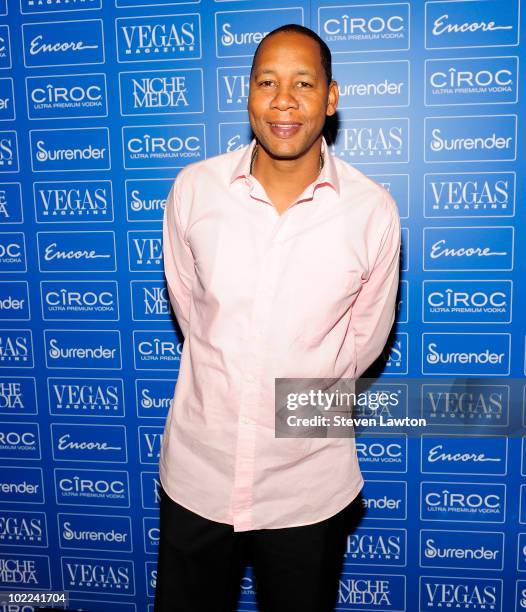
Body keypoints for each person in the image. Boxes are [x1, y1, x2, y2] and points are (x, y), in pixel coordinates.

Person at [154, 23, 401, 612]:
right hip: (199, 474)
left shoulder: (371, 211)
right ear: (248, 94)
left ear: (331, 97)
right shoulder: (195, 190)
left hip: (305, 486)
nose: (283, 100)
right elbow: (194, 316)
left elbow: (360, 346)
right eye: (267, 82)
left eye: (303, 83)